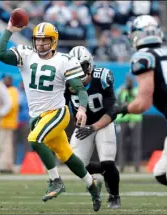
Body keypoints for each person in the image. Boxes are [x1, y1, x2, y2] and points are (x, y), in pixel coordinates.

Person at [0, 20, 101, 211]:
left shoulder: (64, 61)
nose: (41, 44)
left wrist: (82, 109)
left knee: (34, 139)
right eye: (38, 40)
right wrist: (10, 29)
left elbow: (79, 89)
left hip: (57, 113)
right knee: (66, 155)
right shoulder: (26, 55)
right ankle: (92, 185)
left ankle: (56, 180)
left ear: (54, 41)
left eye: (45, 40)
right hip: (38, 117)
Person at [116, 15, 167, 205]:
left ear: (137, 35)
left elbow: (143, 103)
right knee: (162, 173)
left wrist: (119, 109)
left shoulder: (143, 57)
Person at [65, 46, 120, 209]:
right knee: (76, 164)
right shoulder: (66, 82)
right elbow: (61, 107)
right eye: (72, 68)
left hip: (103, 122)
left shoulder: (102, 77)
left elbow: (113, 110)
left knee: (108, 162)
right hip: (83, 125)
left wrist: (94, 127)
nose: (76, 72)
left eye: (80, 67)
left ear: (89, 66)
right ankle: (103, 173)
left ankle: (114, 196)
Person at [115, 75, 143, 173]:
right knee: (121, 143)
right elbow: (117, 102)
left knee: (136, 143)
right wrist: (123, 91)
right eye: (128, 81)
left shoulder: (136, 91)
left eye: (130, 81)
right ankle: (121, 165)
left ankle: (137, 166)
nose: (129, 83)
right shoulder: (120, 91)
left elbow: (138, 101)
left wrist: (130, 91)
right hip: (123, 119)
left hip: (135, 119)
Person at [0, 75, 19, 174]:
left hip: (8, 123)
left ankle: (6, 166)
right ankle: (2, 165)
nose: (6, 81)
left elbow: (12, 105)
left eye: (7, 79)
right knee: (2, 145)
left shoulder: (13, 91)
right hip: (2, 123)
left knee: (6, 146)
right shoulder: (3, 90)